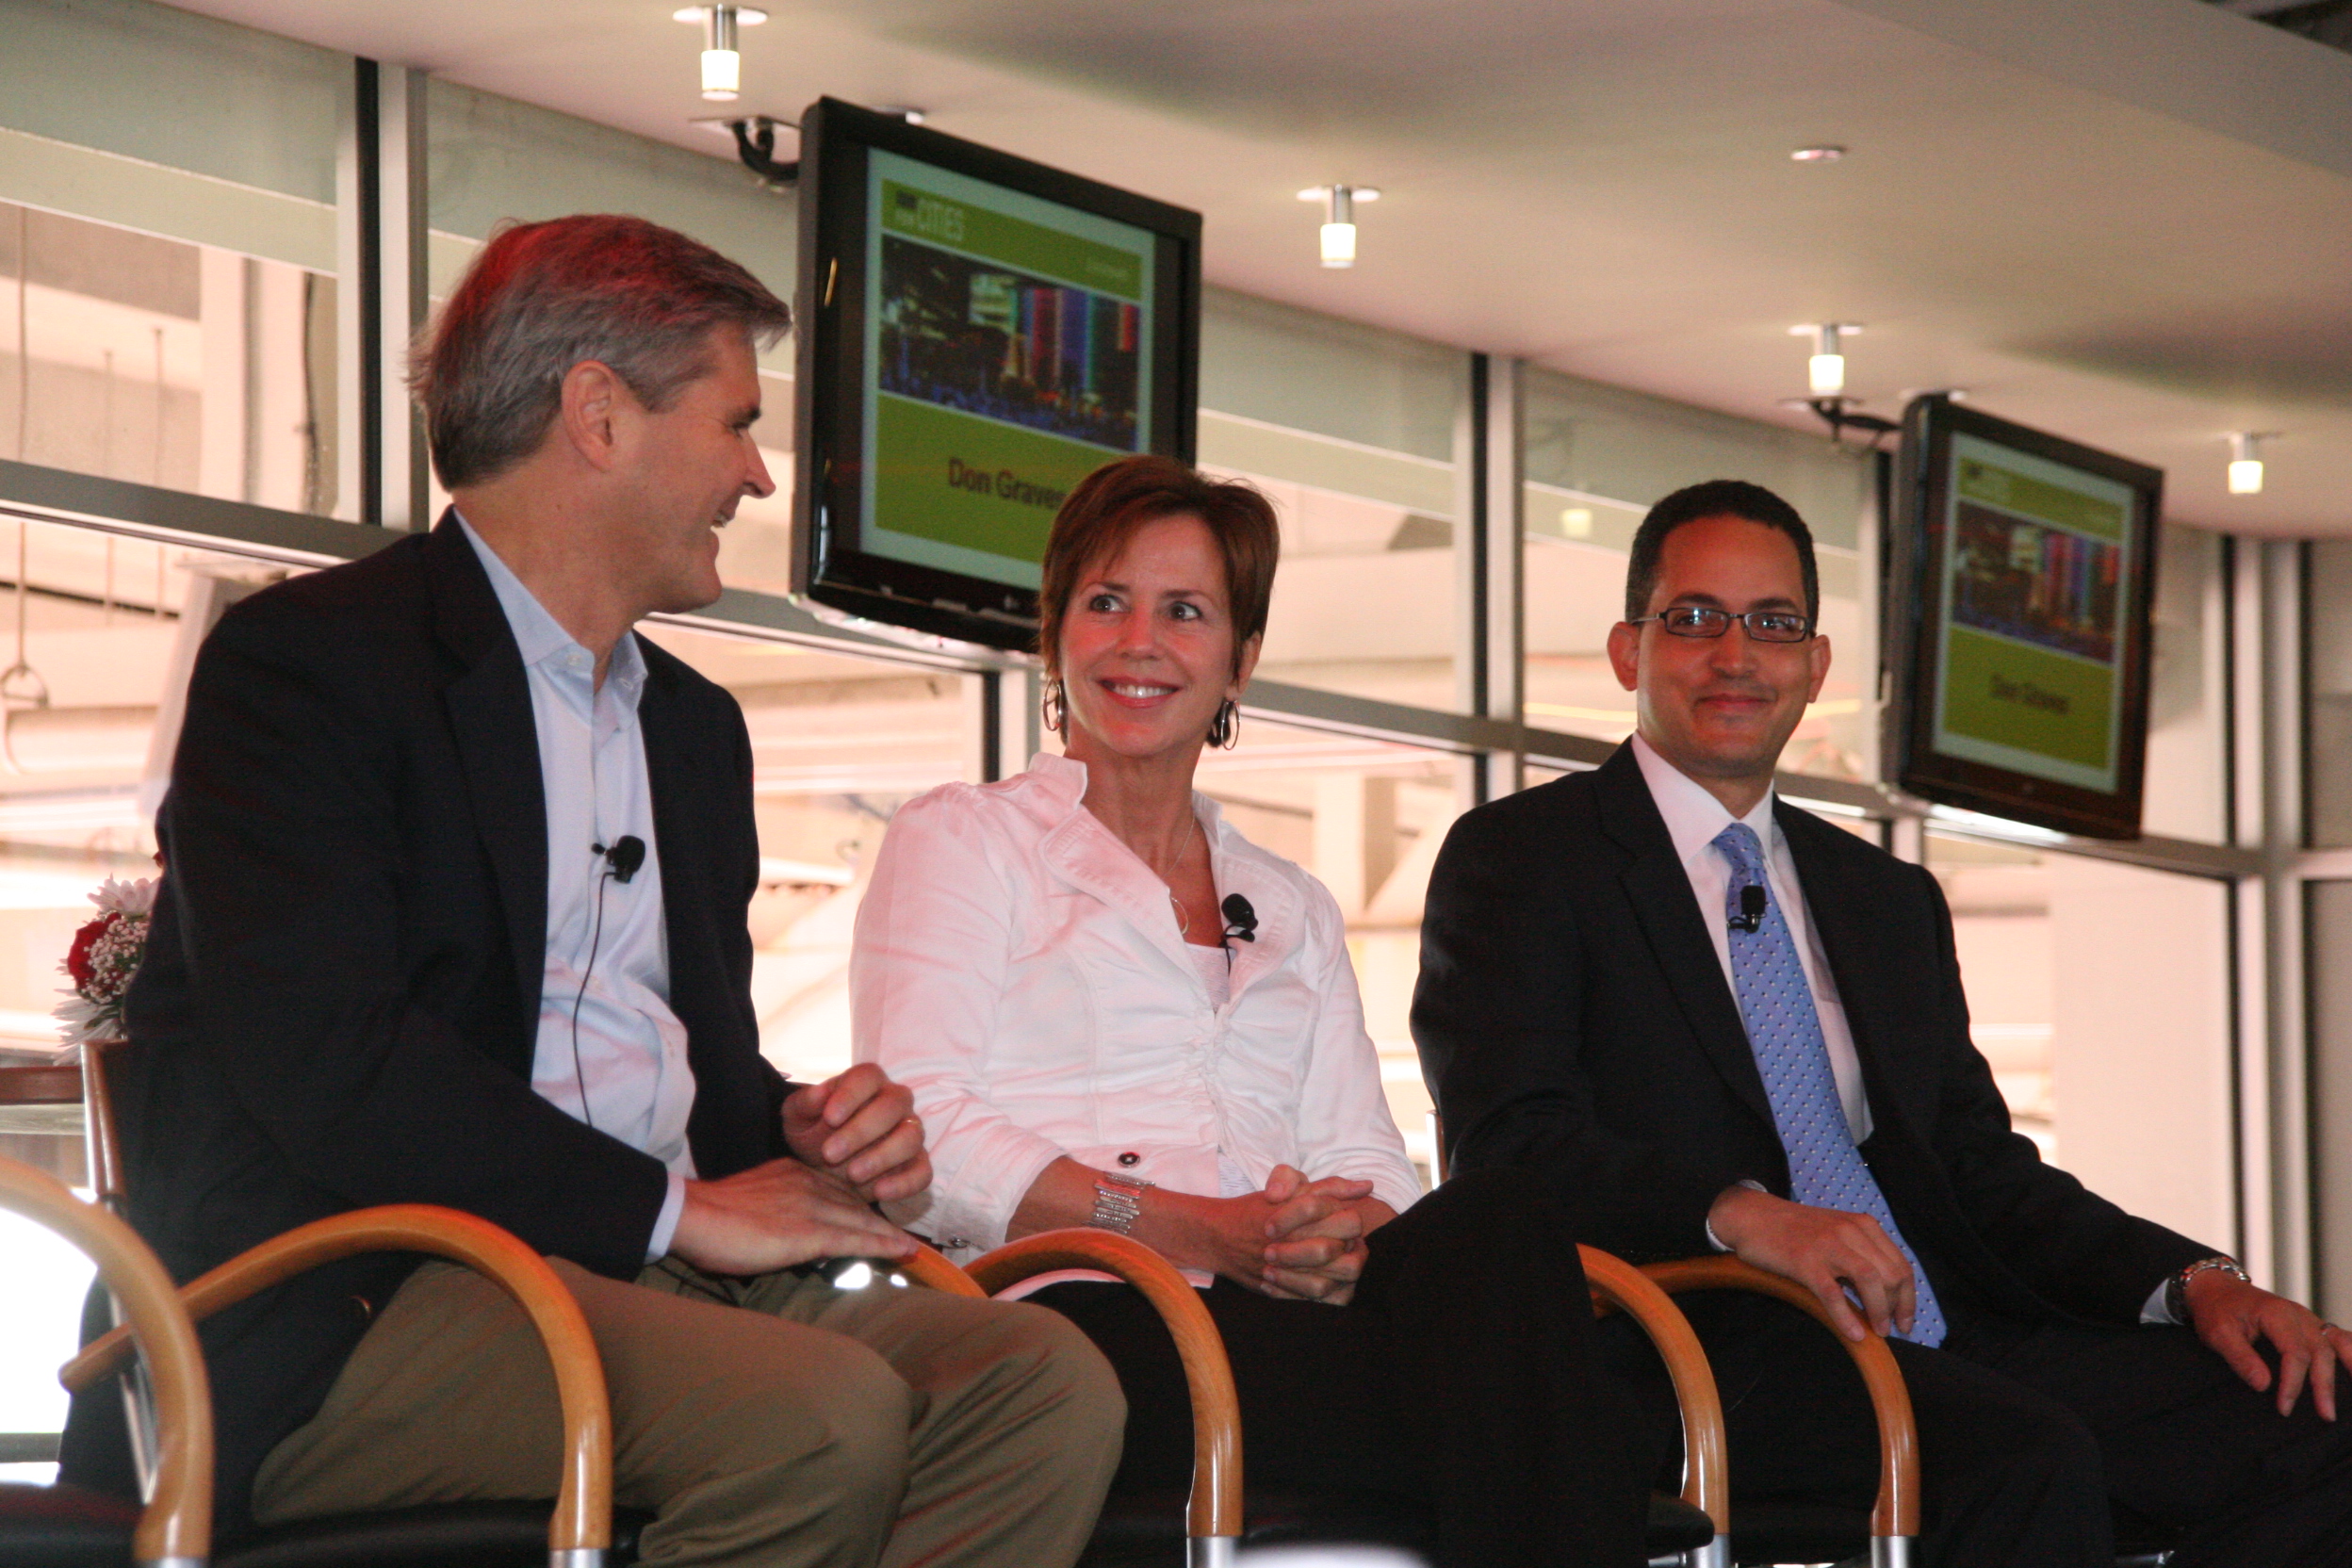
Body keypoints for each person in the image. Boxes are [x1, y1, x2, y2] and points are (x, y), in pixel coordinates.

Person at [58, 214, 1124, 1567]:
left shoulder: (690, 728)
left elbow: (700, 1076)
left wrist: (810, 1137)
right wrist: (678, 1212)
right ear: (599, 414)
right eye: (737, 422)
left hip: (652, 1278)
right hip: (368, 1297)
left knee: (1045, 1384)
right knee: (815, 1416)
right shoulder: (310, 668)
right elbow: (332, 1064)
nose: (756, 471)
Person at [1413, 477, 2352, 1565]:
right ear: (1630, 650)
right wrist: (1743, 1212)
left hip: (1954, 1326)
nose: (1734, 653)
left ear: (1815, 668)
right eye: (1694, 618)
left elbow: (1982, 1170)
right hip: (1708, 1337)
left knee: (2319, 1417)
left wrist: (2195, 1282)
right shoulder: (1525, 858)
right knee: (2022, 1456)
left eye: (1772, 624)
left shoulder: (1882, 896)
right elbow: (1509, 1147)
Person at [851, 453, 1653, 1568]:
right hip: (1080, 1311)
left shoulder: (1291, 903)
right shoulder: (966, 840)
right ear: (1056, 633)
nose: (1141, 640)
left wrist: (1332, 1231)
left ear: (1242, 660)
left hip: (1289, 1317)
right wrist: (1194, 1226)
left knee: (1498, 1218)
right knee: (1552, 1425)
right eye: (1106, 602)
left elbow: (1369, 1164)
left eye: (1186, 611)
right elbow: (927, 1129)